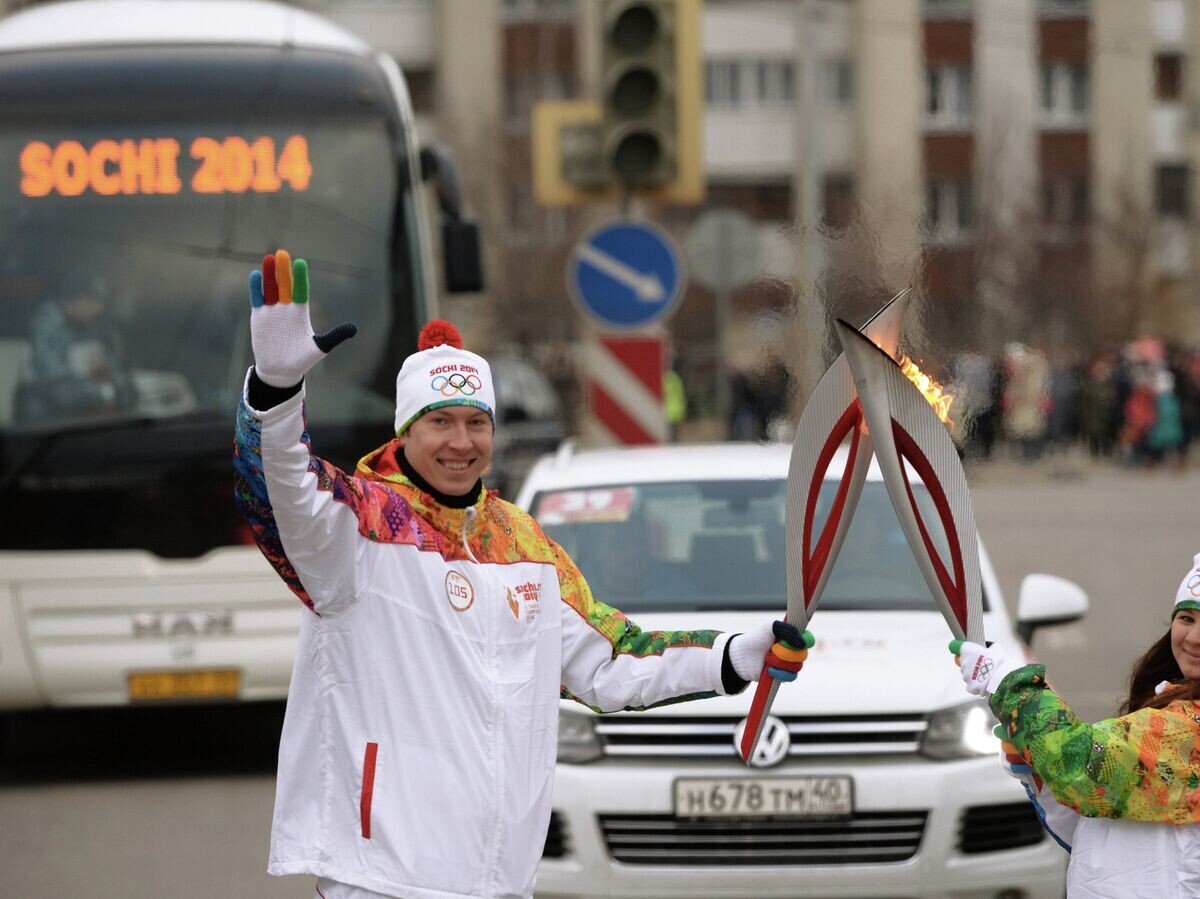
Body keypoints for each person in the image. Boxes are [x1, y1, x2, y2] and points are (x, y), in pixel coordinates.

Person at [233, 250, 813, 899]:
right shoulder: (358, 527)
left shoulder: (523, 543)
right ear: (406, 429)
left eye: (476, 421)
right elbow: (278, 489)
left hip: (501, 879)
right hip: (383, 878)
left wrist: (735, 655)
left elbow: (615, 660)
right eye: (440, 422)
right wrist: (275, 396)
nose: (461, 441)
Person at [951, 553, 1200, 897]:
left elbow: (1083, 765)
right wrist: (1039, 770)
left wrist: (1006, 683)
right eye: (1187, 617)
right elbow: (1099, 824)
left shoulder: (1190, 729)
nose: (1194, 637)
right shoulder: (1168, 703)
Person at [19, 280, 137, 421]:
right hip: (46, 417)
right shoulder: (45, 327)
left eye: (102, 302)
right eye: (93, 301)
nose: (99, 308)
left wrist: (123, 386)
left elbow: (107, 362)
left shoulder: (91, 325)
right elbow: (57, 383)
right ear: (72, 300)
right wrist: (106, 392)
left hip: (83, 414)